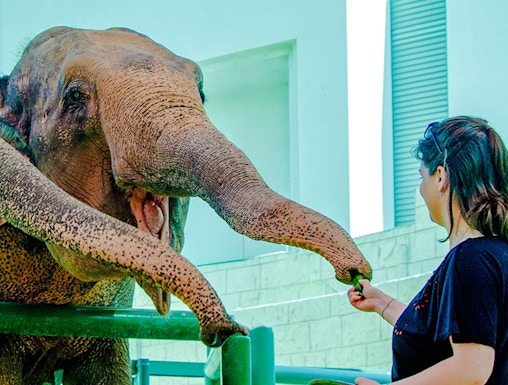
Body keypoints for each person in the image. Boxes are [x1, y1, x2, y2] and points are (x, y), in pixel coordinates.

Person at [348, 116, 508, 385]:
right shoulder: (495, 254)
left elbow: (472, 368)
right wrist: (382, 303)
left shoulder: (471, 260)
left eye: (422, 176)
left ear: (441, 176)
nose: (421, 189)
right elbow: (436, 333)